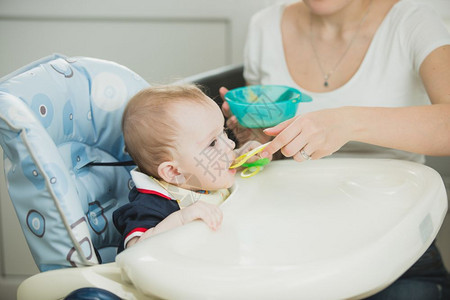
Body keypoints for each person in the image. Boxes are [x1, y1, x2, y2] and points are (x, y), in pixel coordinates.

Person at [220, 0, 450, 299]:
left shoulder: (413, 21)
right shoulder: (265, 25)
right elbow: (275, 150)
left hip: (393, 243)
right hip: (286, 239)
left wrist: (347, 122)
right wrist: (257, 137)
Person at [113, 84, 261, 254]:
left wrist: (242, 156)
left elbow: (208, 166)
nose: (231, 143)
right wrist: (182, 219)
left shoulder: (196, 176)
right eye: (213, 142)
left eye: (224, 132)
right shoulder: (152, 205)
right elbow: (134, 253)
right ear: (174, 172)